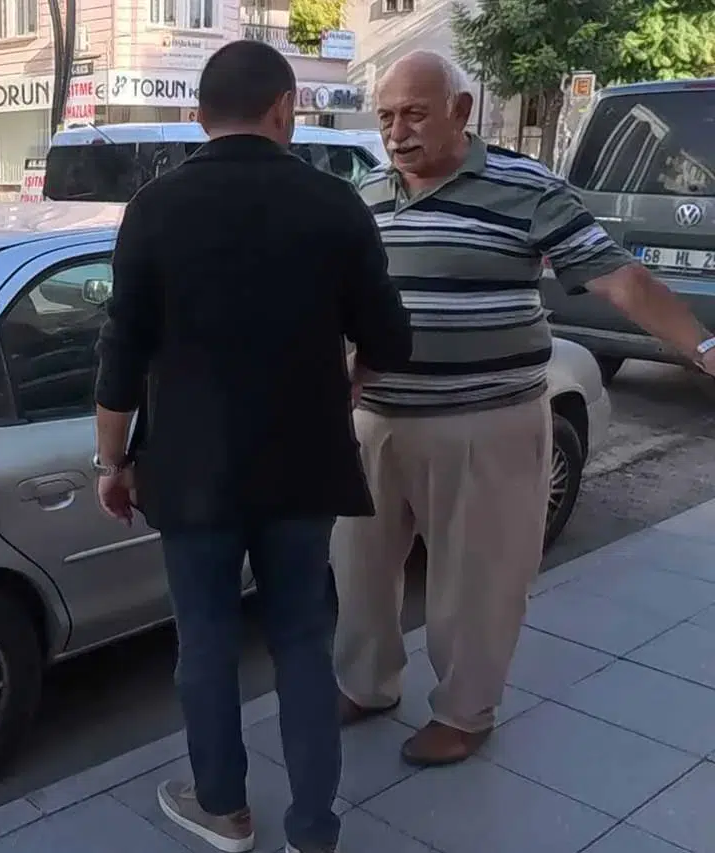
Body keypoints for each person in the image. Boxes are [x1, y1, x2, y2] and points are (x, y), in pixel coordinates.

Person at [333, 50, 715, 767]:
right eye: (386, 117)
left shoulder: (526, 187)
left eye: (414, 113)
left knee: (476, 580)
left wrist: (703, 347)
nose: (397, 132)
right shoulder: (366, 197)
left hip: (487, 422)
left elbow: (619, 280)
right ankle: (366, 682)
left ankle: (465, 711)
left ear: (461, 110)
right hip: (375, 421)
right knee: (356, 569)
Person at [93, 40, 412, 853]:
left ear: (199, 116)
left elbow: (121, 351)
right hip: (304, 468)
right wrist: (352, 377)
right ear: (283, 110)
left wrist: (112, 462)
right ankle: (314, 826)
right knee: (303, 640)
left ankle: (224, 810)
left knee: (204, 643)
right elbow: (390, 336)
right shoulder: (338, 204)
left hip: (189, 470)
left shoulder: (155, 208)